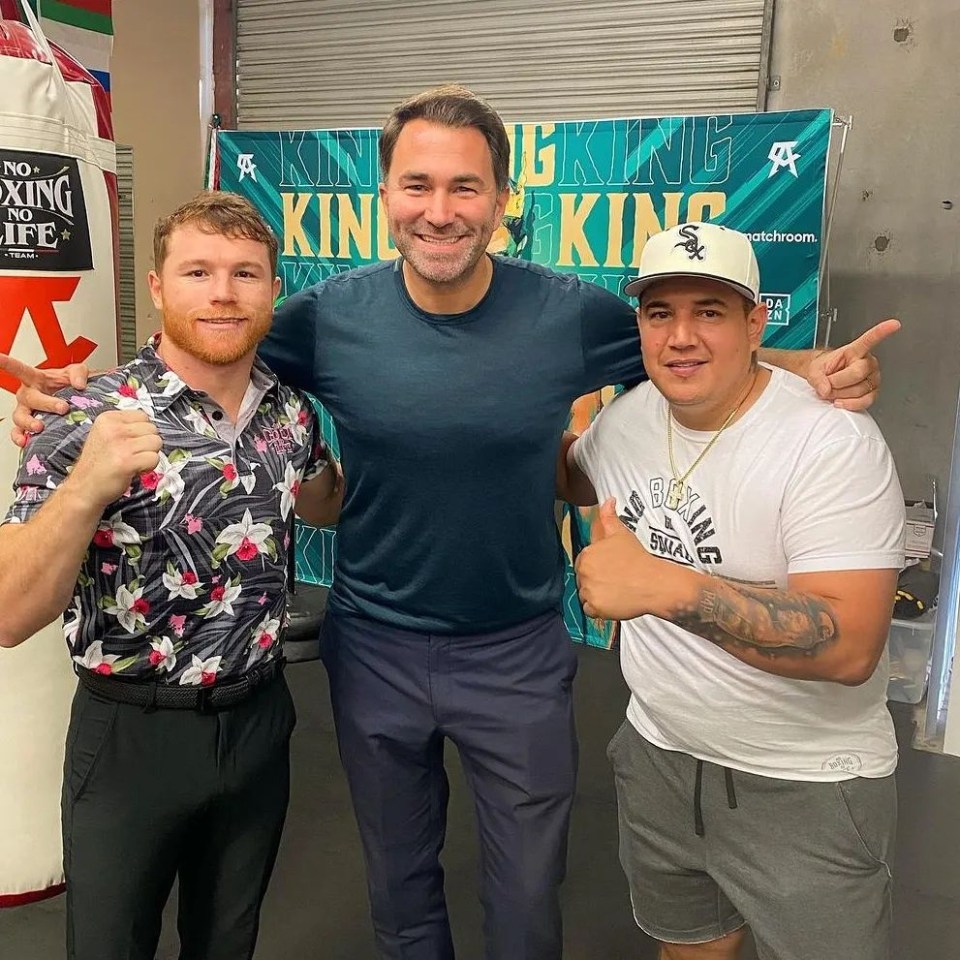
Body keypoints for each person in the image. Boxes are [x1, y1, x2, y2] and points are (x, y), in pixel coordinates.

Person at [4, 87, 896, 960]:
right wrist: (65, 395)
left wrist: (811, 365)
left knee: (525, 896)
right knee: (398, 886)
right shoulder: (323, 319)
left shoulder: (565, 313)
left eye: (465, 187)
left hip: (516, 652)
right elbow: (202, 339)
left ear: (502, 201)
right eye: (418, 185)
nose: (440, 210)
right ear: (386, 195)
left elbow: (693, 345)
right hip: (375, 647)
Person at [0, 192, 340, 960]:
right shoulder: (81, 413)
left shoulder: (290, 414)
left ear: (273, 288)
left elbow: (325, 501)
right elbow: (8, 613)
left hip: (259, 717)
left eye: (245, 273)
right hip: (132, 732)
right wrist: (87, 485)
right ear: (157, 287)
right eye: (198, 271)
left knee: (228, 941)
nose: (223, 293)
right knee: (110, 947)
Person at [559, 221, 904, 960]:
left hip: (804, 782)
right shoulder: (624, 424)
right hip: (658, 755)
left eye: (709, 311)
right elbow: (566, 471)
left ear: (755, 324)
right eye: (661, 313)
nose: (682, 336)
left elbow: (849, 645)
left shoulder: (828, 442)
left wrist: (664, 587)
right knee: (688, 947)